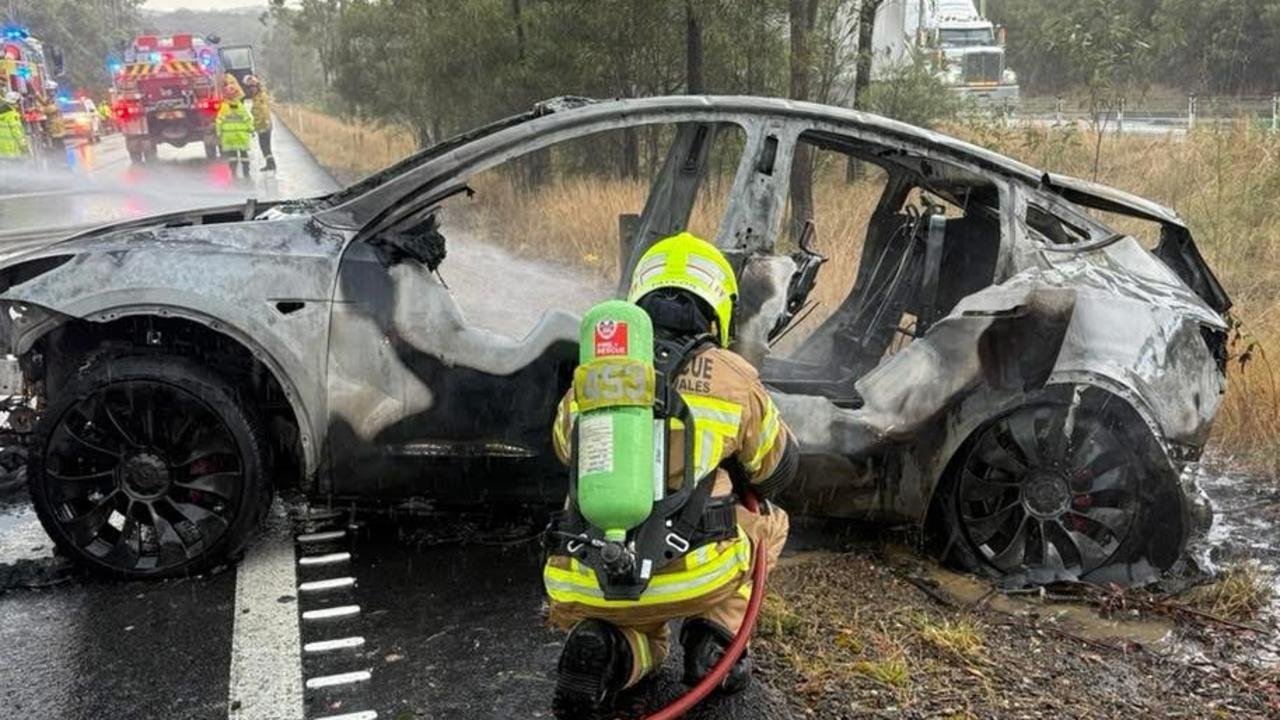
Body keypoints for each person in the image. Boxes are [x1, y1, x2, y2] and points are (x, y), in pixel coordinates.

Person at [544, 231, 798, 718]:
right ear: (717, 304)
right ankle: (715, 640)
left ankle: (611, 652)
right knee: (773, 521)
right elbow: (775, 468)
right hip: (691, 572)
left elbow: (562, 448)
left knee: (638, 634)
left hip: (583, 575)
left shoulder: (592, 375)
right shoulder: (732, 375)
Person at [215, 89, 254, 179]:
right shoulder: (240, 106)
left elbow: (219, 120)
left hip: (229, 136)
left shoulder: (224, 107)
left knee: (232, 155)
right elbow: (247, 119)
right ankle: (246, 171)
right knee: (244, 154)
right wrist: (251, 129)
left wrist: (219, 132)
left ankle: (233, 172)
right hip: (241, 135)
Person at [242, 75, 275, 171]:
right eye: (249, 87)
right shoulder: (256, 97)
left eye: (253, 87)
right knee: (264, 146)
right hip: (261, 125)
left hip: (264, 125)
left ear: (257, 86)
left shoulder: (260, 97)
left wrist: (264, 123)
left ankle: (271, 164)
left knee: (265, 146)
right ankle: (270, 163)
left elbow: (264, 111)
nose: (251, 89)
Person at [0, 92, 29, 162]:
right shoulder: (12, 115)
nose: (19, 105)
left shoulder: (2, 112)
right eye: (18, 102)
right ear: (14, 102)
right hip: (11, 150)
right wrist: (24, 147)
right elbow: (17, 133)